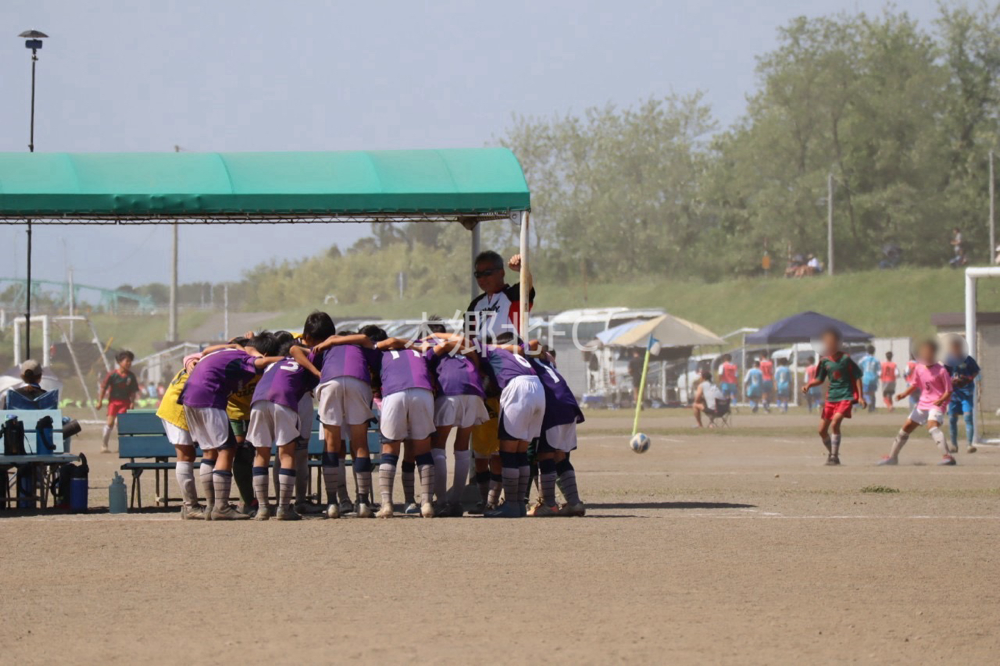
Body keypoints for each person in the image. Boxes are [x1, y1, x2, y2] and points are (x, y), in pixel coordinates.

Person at [178, 334, 283, 520]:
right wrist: (286, 359)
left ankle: (211, 506)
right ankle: (221, 507)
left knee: (210, 450)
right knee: (228, 449)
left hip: (189, 397)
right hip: (209, 397)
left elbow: (206, 351)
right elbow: (260, 361)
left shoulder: (227, 350)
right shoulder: (244, 358)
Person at [465, 250, 535, 514]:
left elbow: (529, 289)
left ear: (500, 272)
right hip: (485, 380)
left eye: (487, 273)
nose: (482, 279)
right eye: (477, 275)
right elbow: (468, 341)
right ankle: (488, 500)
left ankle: (517, 499)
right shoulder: (475, 305)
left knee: (512, 443)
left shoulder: (512, 295)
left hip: (511, 373)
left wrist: (525, 268)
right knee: (484, 447)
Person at [364, 326, 439, 519]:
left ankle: (387, 504)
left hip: (395, 392)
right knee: (422, 449)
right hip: (422, 391)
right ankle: (427, 503)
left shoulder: (377, 352)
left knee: (390, 450)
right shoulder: (416, 349)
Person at [246, 337, 323, 521]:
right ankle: (284, 507)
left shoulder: (275, 363)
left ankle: (263, 508)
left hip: (258, 400)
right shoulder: (305, 365)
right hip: (283, 400)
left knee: (261, 454)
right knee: (287, 454)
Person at [311, 317, 381, 518]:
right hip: (357, 382)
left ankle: (333, 503)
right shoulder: (360, 347)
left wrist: (329, 343)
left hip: (330, 382)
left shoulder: (326, 348)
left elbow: (310, 358)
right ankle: (363, 503)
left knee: (332, 444)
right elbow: (374, 363)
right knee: (360, 443)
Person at [424, 321, 488, 517]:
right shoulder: (464, 345)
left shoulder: (428, 345)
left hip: (450, 390)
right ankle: (456, 501)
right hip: (473, 391)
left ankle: (442, 501)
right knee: (462, 446)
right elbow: (475, 359)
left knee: (438, 444)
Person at [481, 332, 546, 518]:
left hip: (518, 388)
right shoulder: (521, 355)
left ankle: (511, 504)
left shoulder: (492, 351)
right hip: (537, 388)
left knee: (508, 451)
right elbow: (535, 343)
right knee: (520, 451)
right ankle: (517, 503)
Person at [526, 342, 586, 517]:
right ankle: (574, 503)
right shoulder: (546, 362)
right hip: (569, 406)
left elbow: (532, 345)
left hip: (552, 408)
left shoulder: (526, 363)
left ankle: (549, 504)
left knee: (545, 455)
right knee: (560, 454)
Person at [880, 340, 954, 466]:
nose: (925, 354)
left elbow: (949, 391)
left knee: (932, 426)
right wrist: (904, 394)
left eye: (929, 351)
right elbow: (914, 384)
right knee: (906, 427)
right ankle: (892, 457)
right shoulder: (919, 368)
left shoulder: (941, 371)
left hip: (937, 404)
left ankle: (947, 457)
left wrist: (941, 400)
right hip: (922, 404)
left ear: (935, 353)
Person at [802, 327, 865, 466]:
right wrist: (809, 385)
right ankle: (833, 454)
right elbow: (819, 379)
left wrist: (860, 396)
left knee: (835, 423)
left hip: (845, 396)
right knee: (822, 430)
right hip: (831, 398)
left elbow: (858, 376)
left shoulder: (845, 359)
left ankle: (834, 456)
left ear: (837, 343)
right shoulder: (824, 361)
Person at [156, 353, 207, 520]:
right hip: (177, 408)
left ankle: (190, 505)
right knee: (185, 455)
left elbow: (190, 356)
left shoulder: (208, 357)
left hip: (176, 405)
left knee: (188, 455)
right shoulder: (217, 360)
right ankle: (190, 505)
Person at [97, 350, 140, 454]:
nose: (129, 363)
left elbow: (133, 391)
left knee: (119, 424)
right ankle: (104, 445)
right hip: (113, 402)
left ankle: (122, 446)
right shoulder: (112, 375)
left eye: (131, 361)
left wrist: (132, 402)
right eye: (127, 361)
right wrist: (100, 401)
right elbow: (103, 388)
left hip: (124, 402)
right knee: (110, 423)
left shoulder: (131, 376)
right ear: (120, 362)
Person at [944, 336, 980, 455]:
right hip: (954, 394)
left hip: (966, 393)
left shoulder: (968, 360)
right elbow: (943, 374)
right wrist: (950, 380)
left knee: (968, 417)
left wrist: (968, 379)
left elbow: (976, 371)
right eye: (955, 346)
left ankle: (969, 444)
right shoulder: (948, 360)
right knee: (952, 419)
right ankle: (954, 444)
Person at [858, 345, 881, 413]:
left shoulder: (864, 359)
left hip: (866, 378)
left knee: (865, 392)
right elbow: (879, 371)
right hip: (874, 378)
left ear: (867, 351)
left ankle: (869, 401)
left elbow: (859, 365)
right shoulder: (876, 360)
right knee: (873, 393)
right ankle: (872, 408)